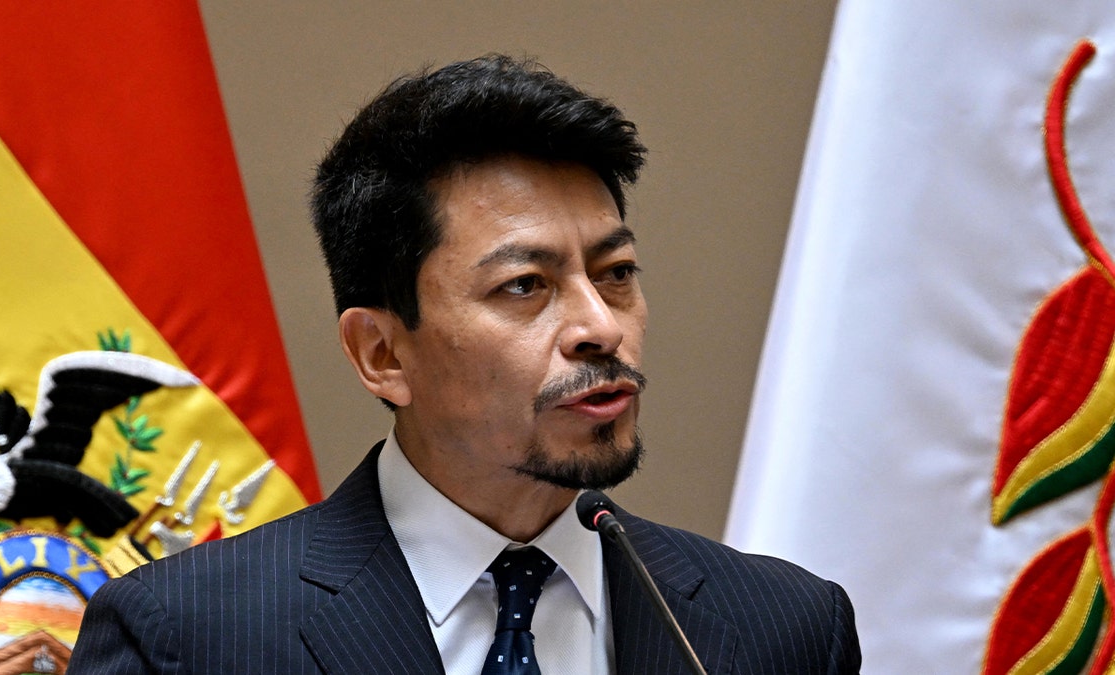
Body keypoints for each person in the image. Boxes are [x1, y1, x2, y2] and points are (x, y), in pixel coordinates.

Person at [68, 54, 861, 674]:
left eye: (616, 272)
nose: (598, 325)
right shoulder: (187, 639)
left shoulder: (782, 630)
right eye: (525, 286)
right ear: (382, 353)